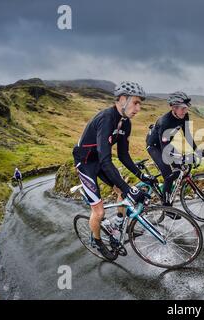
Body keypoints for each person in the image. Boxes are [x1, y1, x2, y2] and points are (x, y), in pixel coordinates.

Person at [72, 81, 155, 260]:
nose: (138, 108)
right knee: (99, 211)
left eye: (140, 104)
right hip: (86, 163)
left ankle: (117, 224)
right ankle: (97, 241)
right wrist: (129, 189)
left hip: (100, 161)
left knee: (121, 191)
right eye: (136, 103)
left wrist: (142, 176)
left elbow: (124, 156)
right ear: (122, 100)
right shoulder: (106, 118)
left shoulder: (126, 123)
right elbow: (105, 159)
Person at [146, 91, 204, 218]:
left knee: (180, 169)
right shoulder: (165, 122)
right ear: (174, 107)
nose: (185, 111)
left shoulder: (185, 116)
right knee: (169, 175)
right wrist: (183, 157)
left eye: (186, 108)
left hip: (167, 144)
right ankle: (167, 207)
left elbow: (188, 135)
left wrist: (196, 150)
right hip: (155, 147)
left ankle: (167, 190)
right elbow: (165, 151)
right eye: (183, 108)